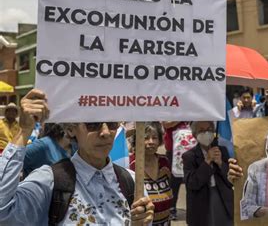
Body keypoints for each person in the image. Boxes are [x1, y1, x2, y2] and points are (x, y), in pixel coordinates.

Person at [0, 89, 154, 225]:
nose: (106, 132)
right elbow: (3, 212)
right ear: (71, 129)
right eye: (93, 124)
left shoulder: (132, 182)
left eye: (112, 123)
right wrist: (24, 130)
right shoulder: (50, 181)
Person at [183, 121, 233, 226]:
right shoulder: (189, 156)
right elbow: (192, 183)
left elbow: (231, 180)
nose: (206, 133)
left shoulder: (222, 150)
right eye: (201, 131)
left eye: (209, 130)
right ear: (194, 135)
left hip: (222, 199)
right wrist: (207, 161)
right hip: (201, 203)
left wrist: (220, 163)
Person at [130, 123, 173, 226]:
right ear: (137, 141)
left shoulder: (164, 162)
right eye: (146, 138)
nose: (151, 142)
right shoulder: (130, 165)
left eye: (154, 138)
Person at [162, 121, 192, 220]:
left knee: (191, 180)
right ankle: (171, 208)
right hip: (174, 149)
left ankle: (192, 210)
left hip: (190, 147)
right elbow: (166, 123)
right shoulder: (171, 107)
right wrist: (183, 115)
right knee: (174, 180)